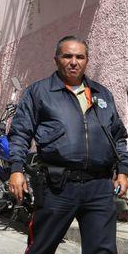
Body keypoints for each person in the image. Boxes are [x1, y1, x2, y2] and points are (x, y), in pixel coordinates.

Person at [8, 35, 128, 253]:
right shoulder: (40, 93)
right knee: (41, 248)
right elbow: (20, 134)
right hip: (58, 186)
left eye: (80, 57)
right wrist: (16, 169)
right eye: (67, 56)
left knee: (103, 250)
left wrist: (123, 171)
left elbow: (118, 136)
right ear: (56, 59)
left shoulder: (102, 94)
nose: (74, 61)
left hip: (99, 186)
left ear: (87, 61)